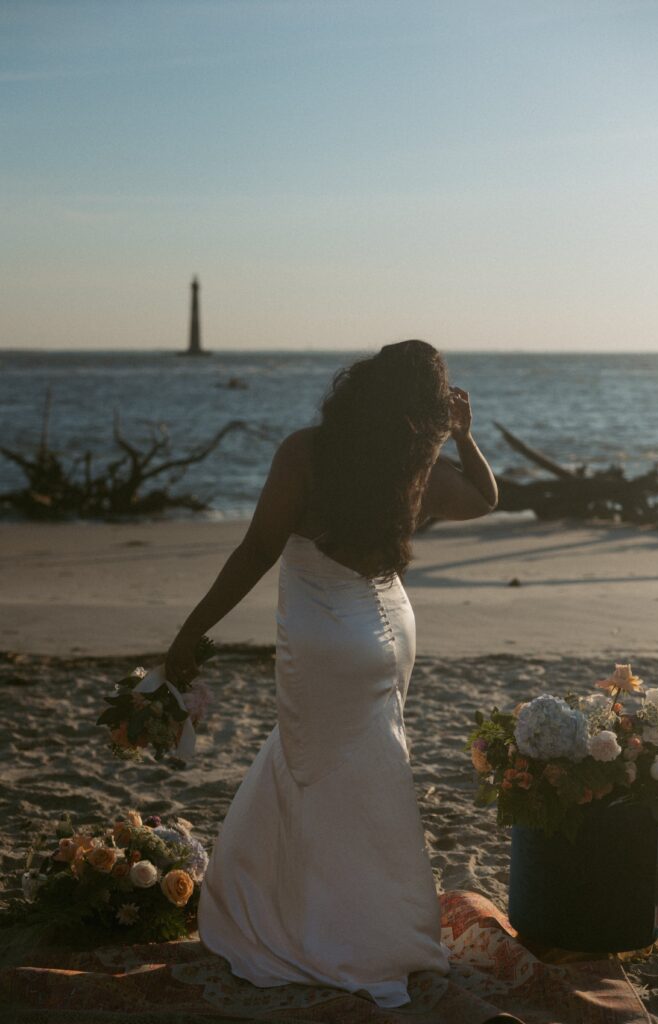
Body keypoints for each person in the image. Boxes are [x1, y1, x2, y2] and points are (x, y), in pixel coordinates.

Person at [164, 339, 498, 1008]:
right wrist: (465, 436)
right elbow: (486, 498)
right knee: (371, 769)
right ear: (428, 408)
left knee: (315, 770)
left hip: (323, 636)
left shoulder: (306, 452)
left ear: (360, 387)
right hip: (389, 631)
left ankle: (327, 929)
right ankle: (376, 921)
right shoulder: (417, 465)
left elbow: (257, 547)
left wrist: (191, 631)